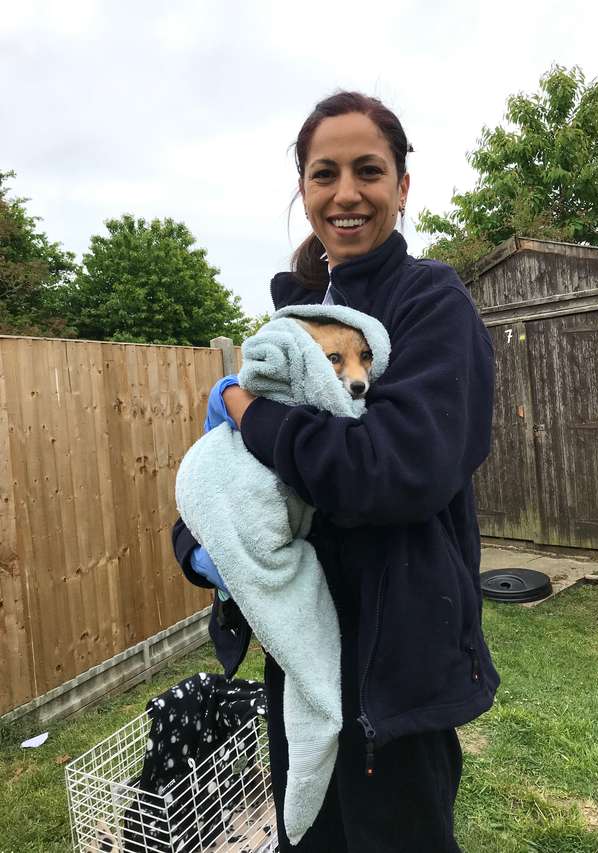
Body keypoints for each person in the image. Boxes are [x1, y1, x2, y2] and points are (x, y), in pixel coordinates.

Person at [172, 91, 499, 852]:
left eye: (368, 170)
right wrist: (198, 539)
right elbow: (243, 471)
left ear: (403, 185)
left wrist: (245, 407)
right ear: (305, 190)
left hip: (396, 664)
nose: (346, 193)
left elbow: (391, 470)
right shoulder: (293, 319)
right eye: (324, 174)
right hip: (303, 654)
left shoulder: (432, 306)